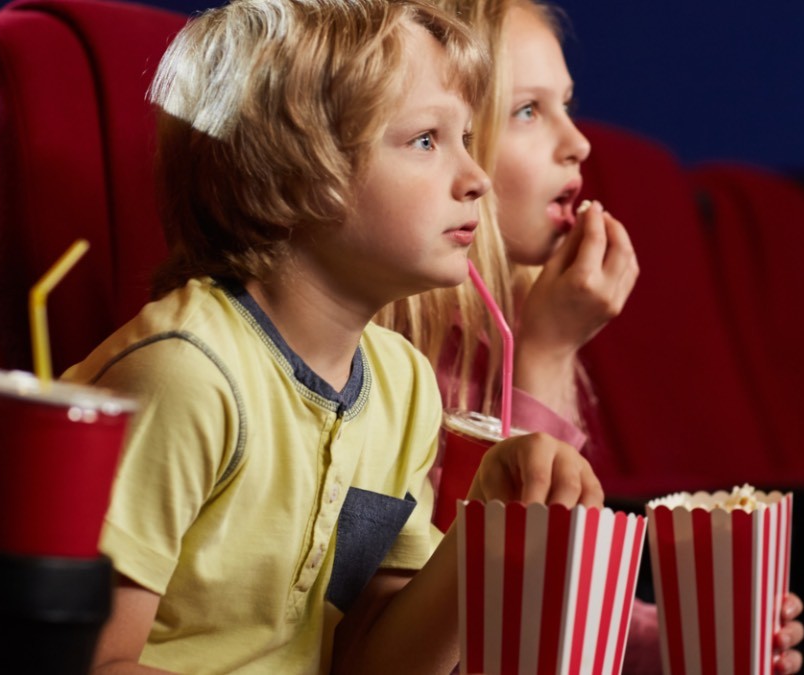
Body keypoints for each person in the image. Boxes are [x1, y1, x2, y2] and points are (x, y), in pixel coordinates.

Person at [62, 1, 602, 672]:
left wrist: (488, 526)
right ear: (301, 173)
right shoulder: (186, 375)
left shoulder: (404, 386)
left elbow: (377, 662)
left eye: (466, 138)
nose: (477, 179)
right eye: (427, 140)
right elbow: (93, 663)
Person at [375, 1, 804, 673]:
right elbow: (482, 612)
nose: (578, 142)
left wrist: (684, 639)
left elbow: (558, 600)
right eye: (527, 111)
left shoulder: (501, 325)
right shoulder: (394, 360)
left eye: (568, 106)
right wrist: (547, 354)